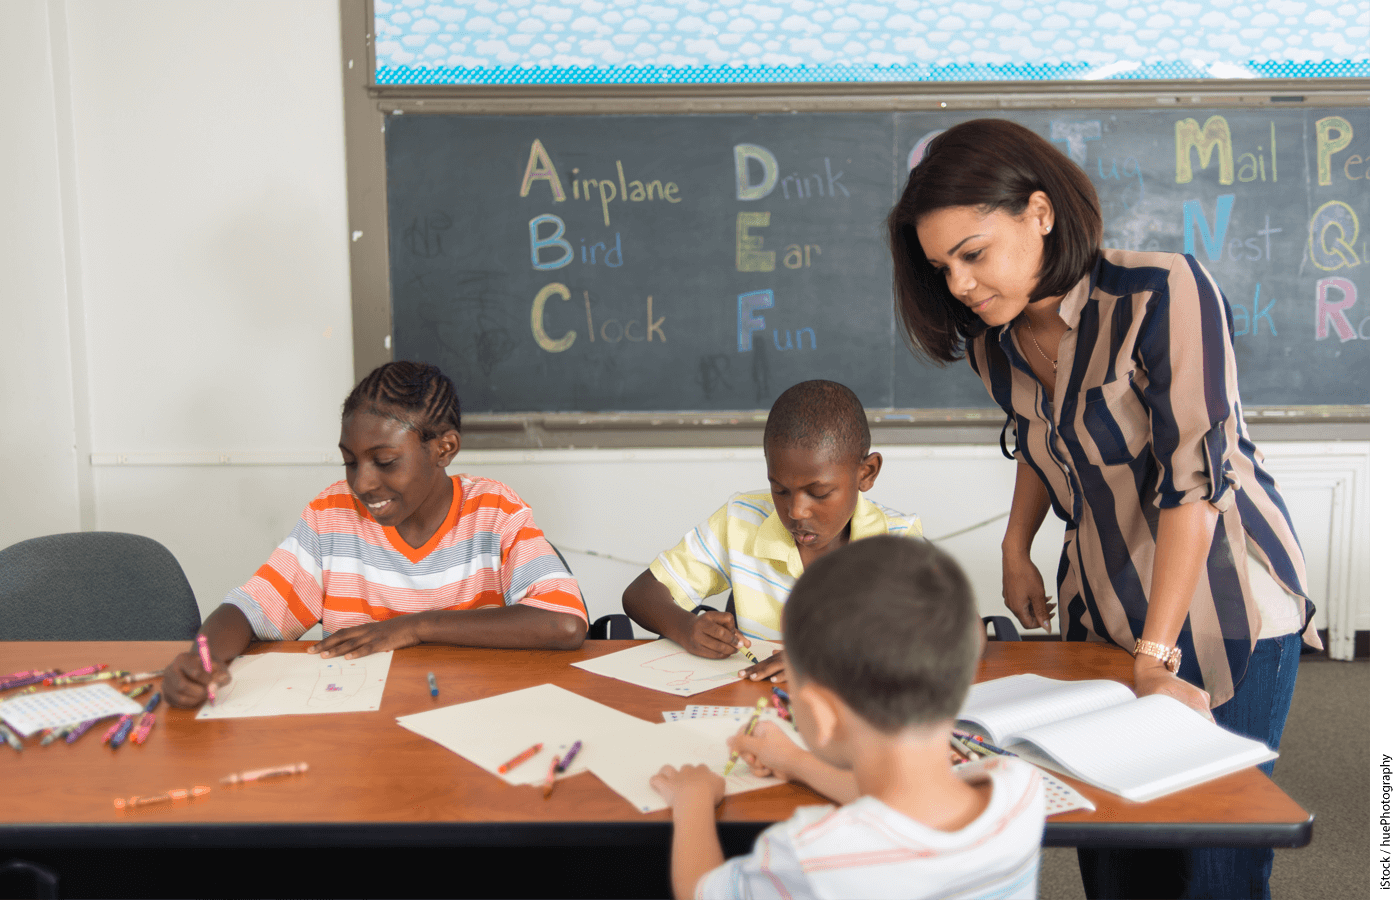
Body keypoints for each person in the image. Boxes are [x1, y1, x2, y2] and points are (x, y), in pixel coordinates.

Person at [886, 117, 1321, 899]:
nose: (957, 284)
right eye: (941, 266)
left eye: (973, 254)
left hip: (1226, 601)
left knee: (1214, 858)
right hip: (1103, 602)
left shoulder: (1162, 291)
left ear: (1040, 212)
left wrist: (1156, 659)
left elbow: (1193, 481)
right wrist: (1017, 547)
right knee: (1115, 846)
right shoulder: (997, 341)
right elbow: (1039, 440)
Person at [162, 361, 587, 708]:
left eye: (384, 461)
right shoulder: (332, 515)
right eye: (350, 462)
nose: (362, 483)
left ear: (444, 449)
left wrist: (416, 627)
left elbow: (563, 623)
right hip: (359, 732)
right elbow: (249, 609)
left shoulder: (495, 512)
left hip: (474, 719)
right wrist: (203, 658)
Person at [649, 535, 1044, 900]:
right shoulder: (1020, 789)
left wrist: (693, 801)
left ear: (821, 715)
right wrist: (795, 762)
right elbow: (905, 805)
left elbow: (704, 892)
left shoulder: (812, 852)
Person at [621, 380, 921, 683]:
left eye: (818, 493)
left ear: (866, 473)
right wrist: (686, 628)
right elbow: (640, 594)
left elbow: (963, 638)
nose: (796, 511)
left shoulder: (897, 542)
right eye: (780, 490)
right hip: (758, 711)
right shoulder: (741, 520)